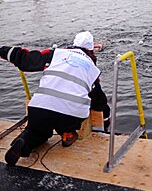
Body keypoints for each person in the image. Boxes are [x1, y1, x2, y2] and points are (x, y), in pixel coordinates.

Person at [0, 31, 110, 166]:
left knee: (37, 131)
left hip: (39, 108)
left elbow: (25, 59)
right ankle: (67, 133)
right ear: (91, 49)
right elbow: (99, 101)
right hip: (70, 116)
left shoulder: (56, 54)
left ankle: (24, 142)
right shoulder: (92, 69)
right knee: (68, 118)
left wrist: (2, 51)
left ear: (73, 44)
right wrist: (106, 121)